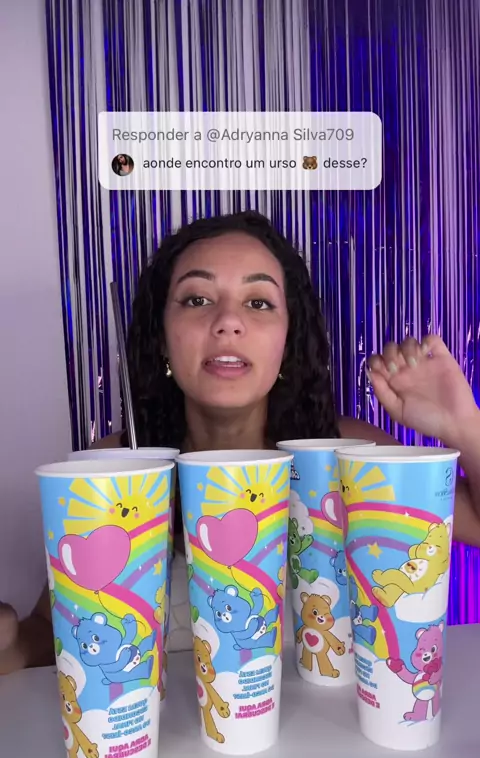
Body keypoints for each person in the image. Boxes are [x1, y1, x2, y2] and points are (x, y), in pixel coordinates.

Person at [2, 210, 480, 675]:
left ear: (287, 340)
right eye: (197, 299)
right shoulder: (119, 467)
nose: (228, 321)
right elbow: (54, 628)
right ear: (163, 338)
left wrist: (464, 425)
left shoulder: (348, 453)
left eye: (258, 303)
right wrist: (13, 645)